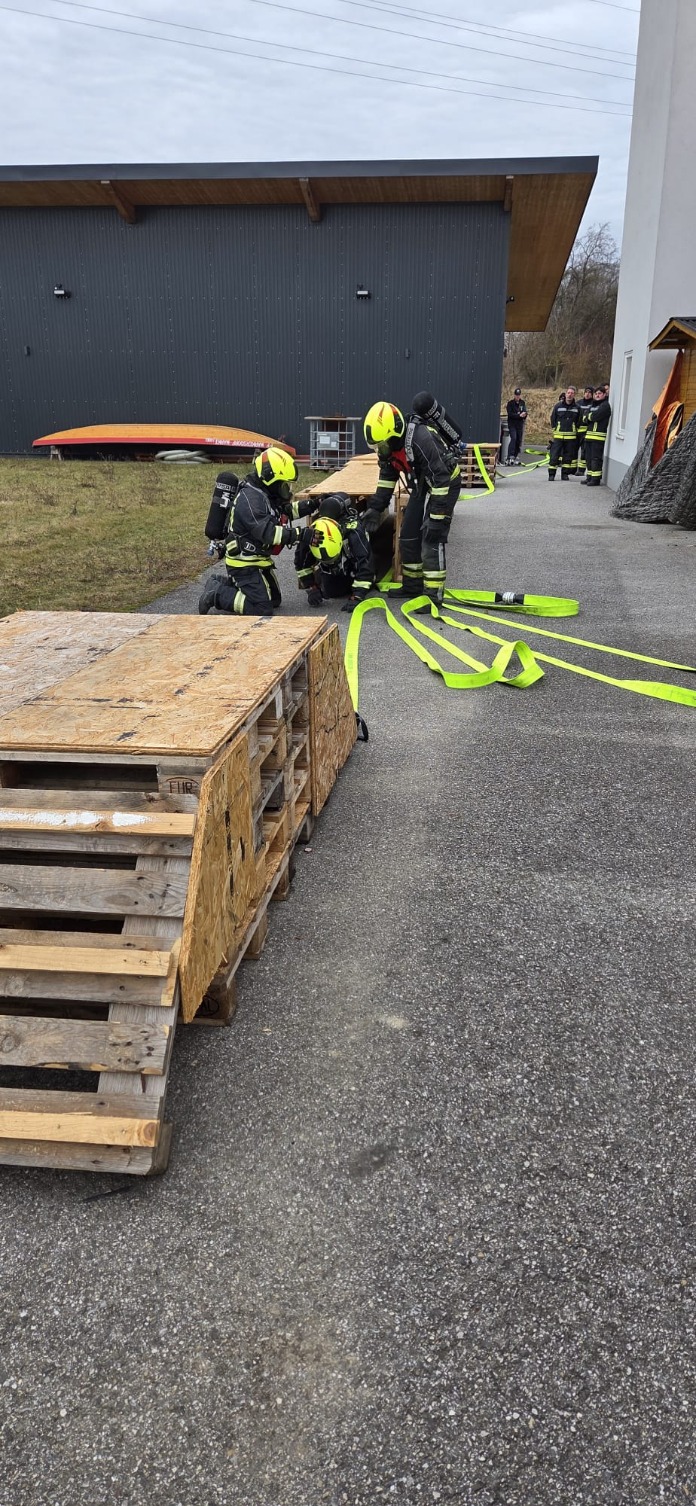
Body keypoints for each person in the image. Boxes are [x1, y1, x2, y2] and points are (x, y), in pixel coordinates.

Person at [362, 398, 461, 606]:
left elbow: (441, 478)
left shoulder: (421, 439)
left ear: (395, 434)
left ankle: (433, 595)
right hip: (421, 481)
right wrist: (375, 508)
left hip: (445, 482)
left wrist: (437, 517)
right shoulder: (390, 449)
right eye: (376, 447)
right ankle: (412, 585)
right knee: (408, 534)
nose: (380, 451)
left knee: (431, 536)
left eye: (381, 446)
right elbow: (387, 479)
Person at [198, 447, 313, 615]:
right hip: (244, 563)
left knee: (274, 600)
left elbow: (285, 511)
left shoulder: (264, 493)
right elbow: (268, 533)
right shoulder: (251, 501)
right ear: (269, 478)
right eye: (283, 484)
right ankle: (217, 595)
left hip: (258, 559)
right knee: (262, 609)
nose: (286, 489)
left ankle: (219, 582)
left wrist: (312, 505)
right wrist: (299, 535)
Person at [295, 492, 375, 612]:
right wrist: (311, 587)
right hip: (337, 567)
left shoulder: (354, 533)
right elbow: (301, 563)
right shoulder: (311, 535)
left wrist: (358, 596)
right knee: (332, 592)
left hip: (352, 563)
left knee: (365, 582)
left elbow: (366, 563)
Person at [548, 386, 581, 480]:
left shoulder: (577, 408)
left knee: (568, 457)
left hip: (571, 437)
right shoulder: (558, 406)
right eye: (568, 393)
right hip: (558, 436)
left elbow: (579, 421)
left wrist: (574, 429)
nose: (570, 395)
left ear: (574, 395)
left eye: (572, 393)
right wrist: (555, 428)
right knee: (554, 456)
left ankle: (565, 474)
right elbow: (553, 418)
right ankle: (551, 474)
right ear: (566, 394)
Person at [582, 387, 612, 487]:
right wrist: (589, 417)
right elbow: (584, 418)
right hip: (589, 436)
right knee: (588, 458)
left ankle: (596, 479)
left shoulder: (605, 405)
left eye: (599, 393)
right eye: (596, 394)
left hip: (598, 437)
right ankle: (589, 477)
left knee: (596, 459)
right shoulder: (592, 405)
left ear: (604, 394)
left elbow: (595, 416)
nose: (597, 395)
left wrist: (589, 416)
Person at [506, 388, 528, 465]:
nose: (517, 396)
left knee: (518, 440)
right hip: (512, 424)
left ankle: (515, 455)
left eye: (518, 395)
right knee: (514, 438)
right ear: (514, 395)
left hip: (519, 425)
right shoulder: (510, 403)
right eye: (516, 395)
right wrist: (518, 415)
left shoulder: (522, 403)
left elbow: (525, 412)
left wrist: (524, 415)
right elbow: (510, 414)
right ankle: (510, 456)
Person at [576, 387, 594, 477]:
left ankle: (581, 470)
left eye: (589, 392)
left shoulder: (593, 404)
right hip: (577, 431)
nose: (587, 394)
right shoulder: (578, 403)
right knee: (572, 450)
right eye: (586, 392)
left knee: (584, 451)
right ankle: (571, 469)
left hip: (586, 431)